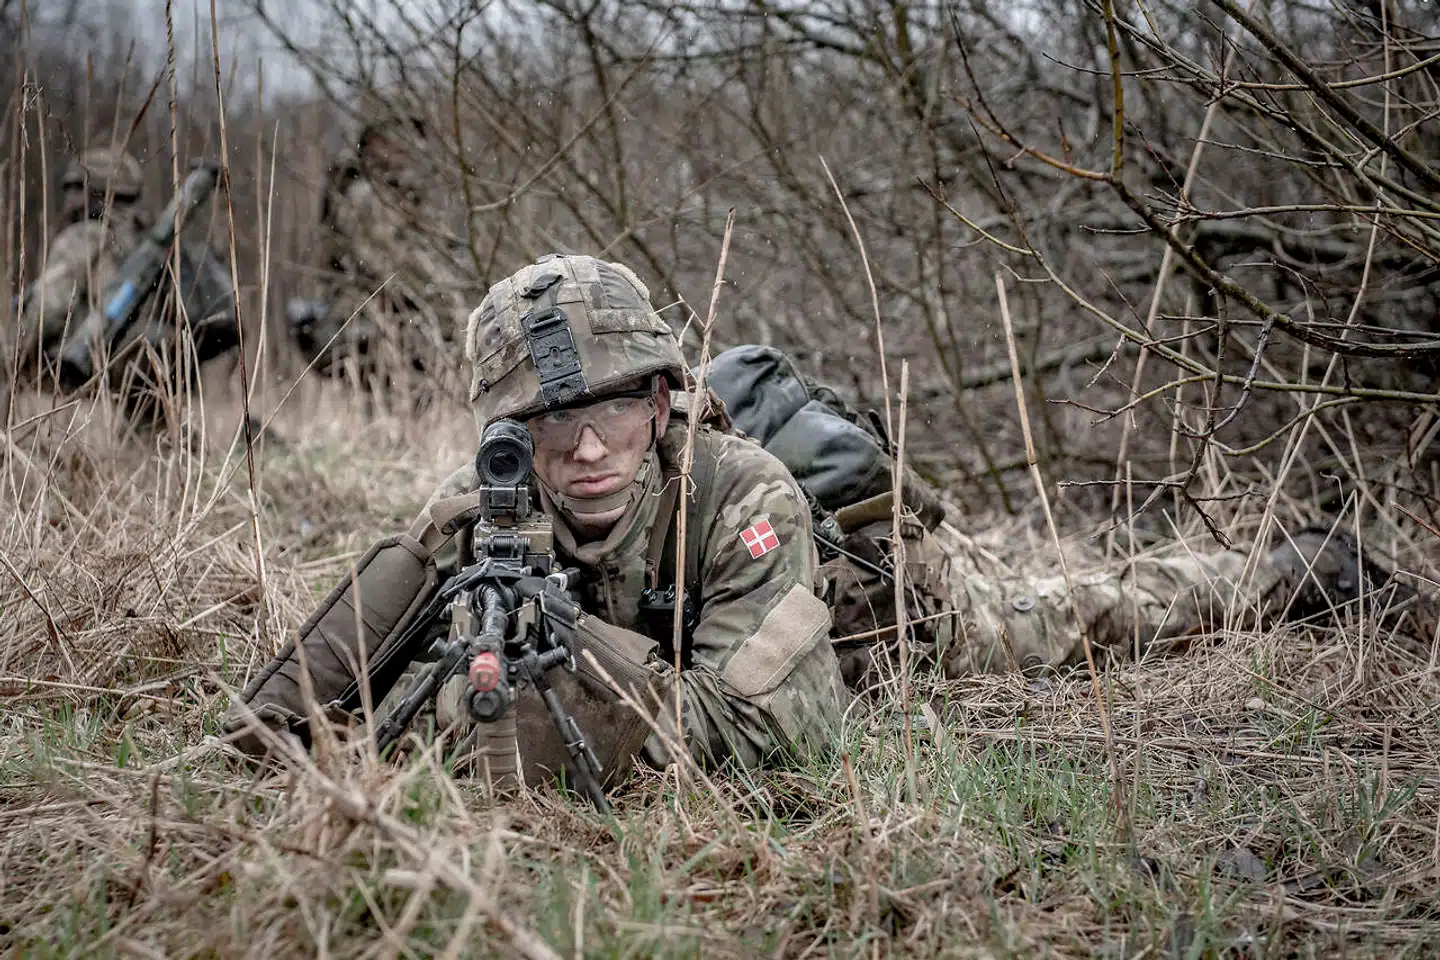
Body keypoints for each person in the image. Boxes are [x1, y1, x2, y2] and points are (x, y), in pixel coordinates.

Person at [228, 253, 848, 783]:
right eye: (554, 418)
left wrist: (529, 698)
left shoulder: (743, 495)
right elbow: (361, 705)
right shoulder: (476, 507)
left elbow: (762, 724)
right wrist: (472, 697)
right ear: (509, 432)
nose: (589, 449)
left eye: (614, 408)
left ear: (659, 404)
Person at [705, 345, 1435, 690]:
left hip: (936, 613)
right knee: (1087, 595)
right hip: (903, 566)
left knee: (1114, 608)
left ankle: (1306, 569)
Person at [13, 144, 239, 422]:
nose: (68, 200)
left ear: (92, 192)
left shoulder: (82, 238)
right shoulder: (153, 240)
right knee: (150, 435)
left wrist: (19, 353)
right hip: (162, 358)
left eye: (74, 189)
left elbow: (49, 309)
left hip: (101, 360)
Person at [289, 118, 479, 396]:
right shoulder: (366, 196)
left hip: (391, 312)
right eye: (398, 141)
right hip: (368, 312)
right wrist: (447, 298)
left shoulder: (395, 193)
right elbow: (387, 266)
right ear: (375, 144)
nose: (407, 150)